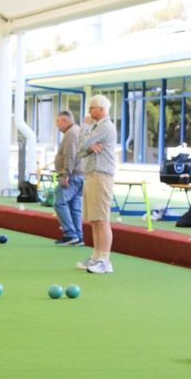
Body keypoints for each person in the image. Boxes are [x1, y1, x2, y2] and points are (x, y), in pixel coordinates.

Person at [76, 94, 118, 274]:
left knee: (101, 218)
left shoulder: (105, 127)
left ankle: (105, 259)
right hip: (92, 174)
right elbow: (80, 150)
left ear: (101, 110)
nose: (89, 111)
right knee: (94, 219)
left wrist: (85, 130)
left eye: (92, 108)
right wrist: (88, 148)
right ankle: (96, 256)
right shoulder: (96, 127)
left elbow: (83, 142)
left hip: (101, 176)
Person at [52, 110, 85, 245]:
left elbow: (70, 155)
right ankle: (78, 236)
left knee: (59, 202)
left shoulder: (71, 134)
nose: (57, 125)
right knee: (74, 206)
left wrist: (65, 174)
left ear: (65, 121)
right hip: (80, 174)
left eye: (58, 121)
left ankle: (70, 234)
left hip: (72, 175)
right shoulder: (76, 131)